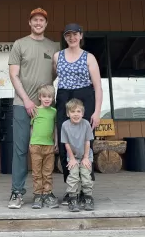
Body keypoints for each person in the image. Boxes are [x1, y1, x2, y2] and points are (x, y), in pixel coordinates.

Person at [7, 8, 60, 209]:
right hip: (23, 105)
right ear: (29, 23)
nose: (38, 23)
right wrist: (28, 100)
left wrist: (44, 97)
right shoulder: (20, 44)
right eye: (35, 20)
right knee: (20, 150)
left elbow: (55, 73)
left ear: (46, 24)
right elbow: (13, 75)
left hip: (46, 108)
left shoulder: (53, 46)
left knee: (47, 149)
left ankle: (46, 193)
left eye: (42, 20)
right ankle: (17, 193)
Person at [53, 23, 103, 205]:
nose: (72, 37)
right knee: (64, 141)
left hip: (85, 98)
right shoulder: (57, 56)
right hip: (64, 97)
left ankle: (86, 189)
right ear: (64, 37)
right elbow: (51, 80)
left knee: (85, 142)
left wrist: (97, 112)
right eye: (68, 35)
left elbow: (98, 87)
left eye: (75, 34)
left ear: (81, 36)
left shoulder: (89, 58)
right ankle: (71, 189)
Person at [61, 98, 95, 212]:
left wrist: (86, 158)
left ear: (83, 113)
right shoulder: (65, 125)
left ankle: (88, 197)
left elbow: (87, 142)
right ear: (68, 113)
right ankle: (72, 198)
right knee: (73, 175)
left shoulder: (86, 124)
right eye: (73, 111)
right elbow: (66, 143)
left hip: (85, 155)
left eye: (78, 111)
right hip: (73, 156)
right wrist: (71, 158)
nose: (76, 114)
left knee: (86, 175)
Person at [29, 84, 59, 209]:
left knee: (47, 172)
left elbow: (55, 128)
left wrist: (56, 141)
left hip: (49, 146)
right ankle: (37, 195)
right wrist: (31, 142)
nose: (47, 99)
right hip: (36, 145)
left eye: (50, 97)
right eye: (44, 96)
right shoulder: (35, 110)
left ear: (53, 98)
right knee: (37, 173)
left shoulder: (54, 112)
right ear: (40, 97)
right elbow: (32, 127)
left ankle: (47, 194)